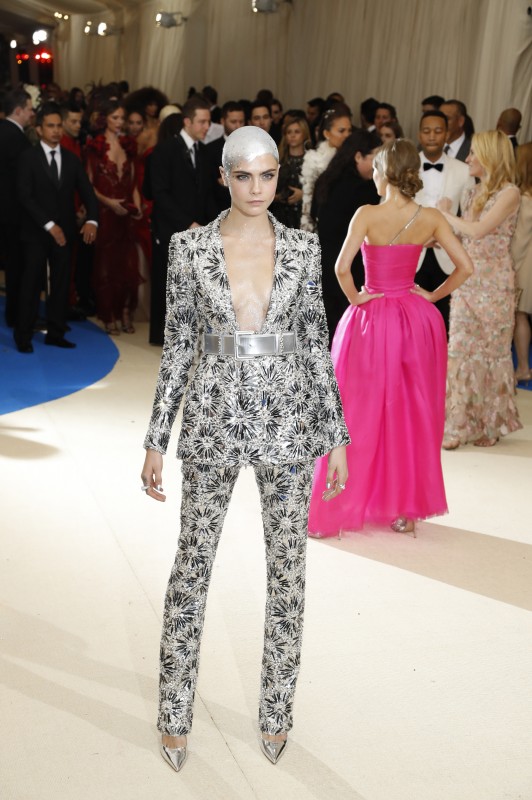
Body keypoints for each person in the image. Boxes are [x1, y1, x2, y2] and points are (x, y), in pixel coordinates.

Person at [140, 126, 349, 772]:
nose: (257, 189)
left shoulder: (304, 247)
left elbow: (316, 343)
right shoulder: (189, 248)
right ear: (224, 177)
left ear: (279, 177)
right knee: (192, 567)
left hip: (289, 425)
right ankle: (174, 714)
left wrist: (336, 435)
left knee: (288, 571)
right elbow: (179, 344)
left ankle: (277, 713)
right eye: (244, 176)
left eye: (268, 175)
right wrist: (156, 436)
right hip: (212, 421)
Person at [308, 139, 473, 537]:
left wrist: (356, 298)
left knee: (355, 411)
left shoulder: (366, 214)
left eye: (376, 170)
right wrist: (432, 296)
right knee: (410, 414)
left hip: (371, 319)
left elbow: (341, 268)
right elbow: (466, 267)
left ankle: (334, 506)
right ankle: (404, 510)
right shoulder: (430, 217)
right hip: (416, 322)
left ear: (383, 172)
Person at [437, 130, 521, 448]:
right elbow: (464, 237)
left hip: (495, 285)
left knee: (492, 354)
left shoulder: (510, 193)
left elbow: (479, 230)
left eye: (474, 153)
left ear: (489, 156)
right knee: (459, 352)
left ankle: (490, 424)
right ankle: (456, 425)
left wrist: (446, 215)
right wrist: (437, 232)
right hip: (466, 281)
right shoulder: (472, 193)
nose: (469, 158)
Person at [15, 102, 99, 353]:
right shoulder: (27, 158)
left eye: (59, 126)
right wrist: (50, 225)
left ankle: (56, 332)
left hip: (65, 233)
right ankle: (23, 335)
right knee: (31, 284)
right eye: (50, 126)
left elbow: (88, 192)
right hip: (35, 233)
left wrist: (92, 220)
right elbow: (25, 196)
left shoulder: (72, 159)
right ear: (39, 130)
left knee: (62, 284)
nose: (56, 131)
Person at [145, 95, 216, 345]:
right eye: (202, 122)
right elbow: (160, 193)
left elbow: (206, 193)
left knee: (193, 285)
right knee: (167, 283)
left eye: (208, 122)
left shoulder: (204, 152)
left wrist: (211, 224)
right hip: (170, 229)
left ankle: (189, 333)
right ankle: (163, 336)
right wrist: (187, 223)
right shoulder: (164, 151)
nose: (207, 127)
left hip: (198, 229)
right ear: (187, 122)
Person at [311, 129, 382, 342]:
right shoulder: (365, 189)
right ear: (358, 156)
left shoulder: (326, 179)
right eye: (376, 158)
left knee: (330, 330)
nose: (380, 167)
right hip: (350, 266)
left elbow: (314, 215)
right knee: (350, 332)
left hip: (325, 263)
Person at [85, 99, 143, 335]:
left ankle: (125, 312)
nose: (119, 122)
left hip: (126, 214)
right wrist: (109, 203)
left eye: (122, 118)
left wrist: (137, 206)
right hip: (106, 213)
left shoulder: (129, 145)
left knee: (128, 265)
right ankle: (108, 314)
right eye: (115, 118)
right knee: (106, 265)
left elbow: (134, 181)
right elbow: (88, 185)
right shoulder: (95, 146)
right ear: (104, 119)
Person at [414, 110, 475, 332]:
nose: (432, 136)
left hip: (448, 254)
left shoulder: (464, 171)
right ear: (419, 134)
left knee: (446, 321)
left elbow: (470, 216)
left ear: (447, 134)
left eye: (438, 131)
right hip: (412, 253)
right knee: (413, 320)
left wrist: (451, 236)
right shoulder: (405, 167)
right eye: (426, 131)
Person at [0, 88, 33, 328]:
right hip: (13, 214)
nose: (32, 113)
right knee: (16, 268)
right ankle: (16, 316)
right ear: (19, 110)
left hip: (5, 212)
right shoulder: (16, 138)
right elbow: (23, 181)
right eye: (30, 109)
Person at [300, 105, 352, 231]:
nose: (347, 135)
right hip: (322, 222)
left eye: (349, 130)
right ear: (327, 133)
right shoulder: (314, 159)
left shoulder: (354, 157)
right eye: (341, 131)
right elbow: (308, 198)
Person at [512, 143, 532, 382]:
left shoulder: (525, 198)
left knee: (520, 315)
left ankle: (524, 367)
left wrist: (511, 266)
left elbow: (520, 239)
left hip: (526, 264)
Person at [270, 115, 311, 228]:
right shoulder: (276, 160)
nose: (292, 135)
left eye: (297, 132)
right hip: (280, 215)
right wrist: (277, 197)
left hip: (304, 216)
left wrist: (303, 195)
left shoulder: (312, 160)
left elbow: (322, 190)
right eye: (289, 132)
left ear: (304, 134)